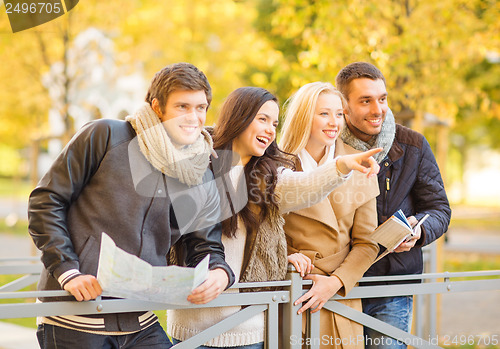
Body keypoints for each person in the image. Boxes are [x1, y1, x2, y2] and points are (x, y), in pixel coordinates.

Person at [28, 62, 235, 349]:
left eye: (201, 108)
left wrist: (219, 272)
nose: (194, 117)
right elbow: (46, 200)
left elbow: (204, 245)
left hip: (141, 320)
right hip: (75, 317)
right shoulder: (105, 135)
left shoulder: (200, 169)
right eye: (182, 107)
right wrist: (67, 270)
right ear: (157, 107)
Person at [166, 86, 381, 348]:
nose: (270, 129)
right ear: (239, 117)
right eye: (262, 119)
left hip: (247, 328)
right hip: (191, 324)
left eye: (275, 123)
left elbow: (306, 186)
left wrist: (341, 166)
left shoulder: (269, 178)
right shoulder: (194, 165)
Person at [335, 62, 451, 349]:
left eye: (382, 98)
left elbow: (439, 209)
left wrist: (418, 230)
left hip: (392, 287)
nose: (378, 109)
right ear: (344, 106)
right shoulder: (326, 145)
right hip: (335, 285)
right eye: (366, 100)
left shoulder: (413, 144)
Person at [279, 82, 380, 349]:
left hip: (339, 292)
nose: (333, 122)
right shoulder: (276, 163)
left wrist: (334, 283)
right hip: (294, 288)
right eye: (324, 113)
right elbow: (262, 229)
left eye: (338, 114)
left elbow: (367, 242)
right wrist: (285, 255)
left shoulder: (359, 162)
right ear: (303, 116)